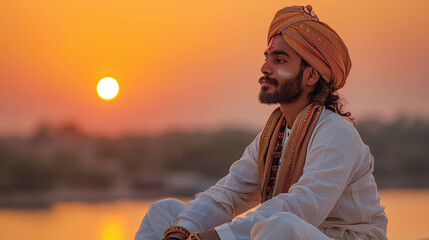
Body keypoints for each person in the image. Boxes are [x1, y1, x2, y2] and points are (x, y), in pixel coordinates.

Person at [135, 5, 388, 240]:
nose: (265, 67)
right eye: (267, 57)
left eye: (279, 60)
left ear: (311, 75)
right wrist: (181, 232)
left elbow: (302, 207)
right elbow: (228, 194)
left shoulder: (336, 132)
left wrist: (218, 236)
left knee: (282, 226)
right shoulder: (273, 136)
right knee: (164, 211)